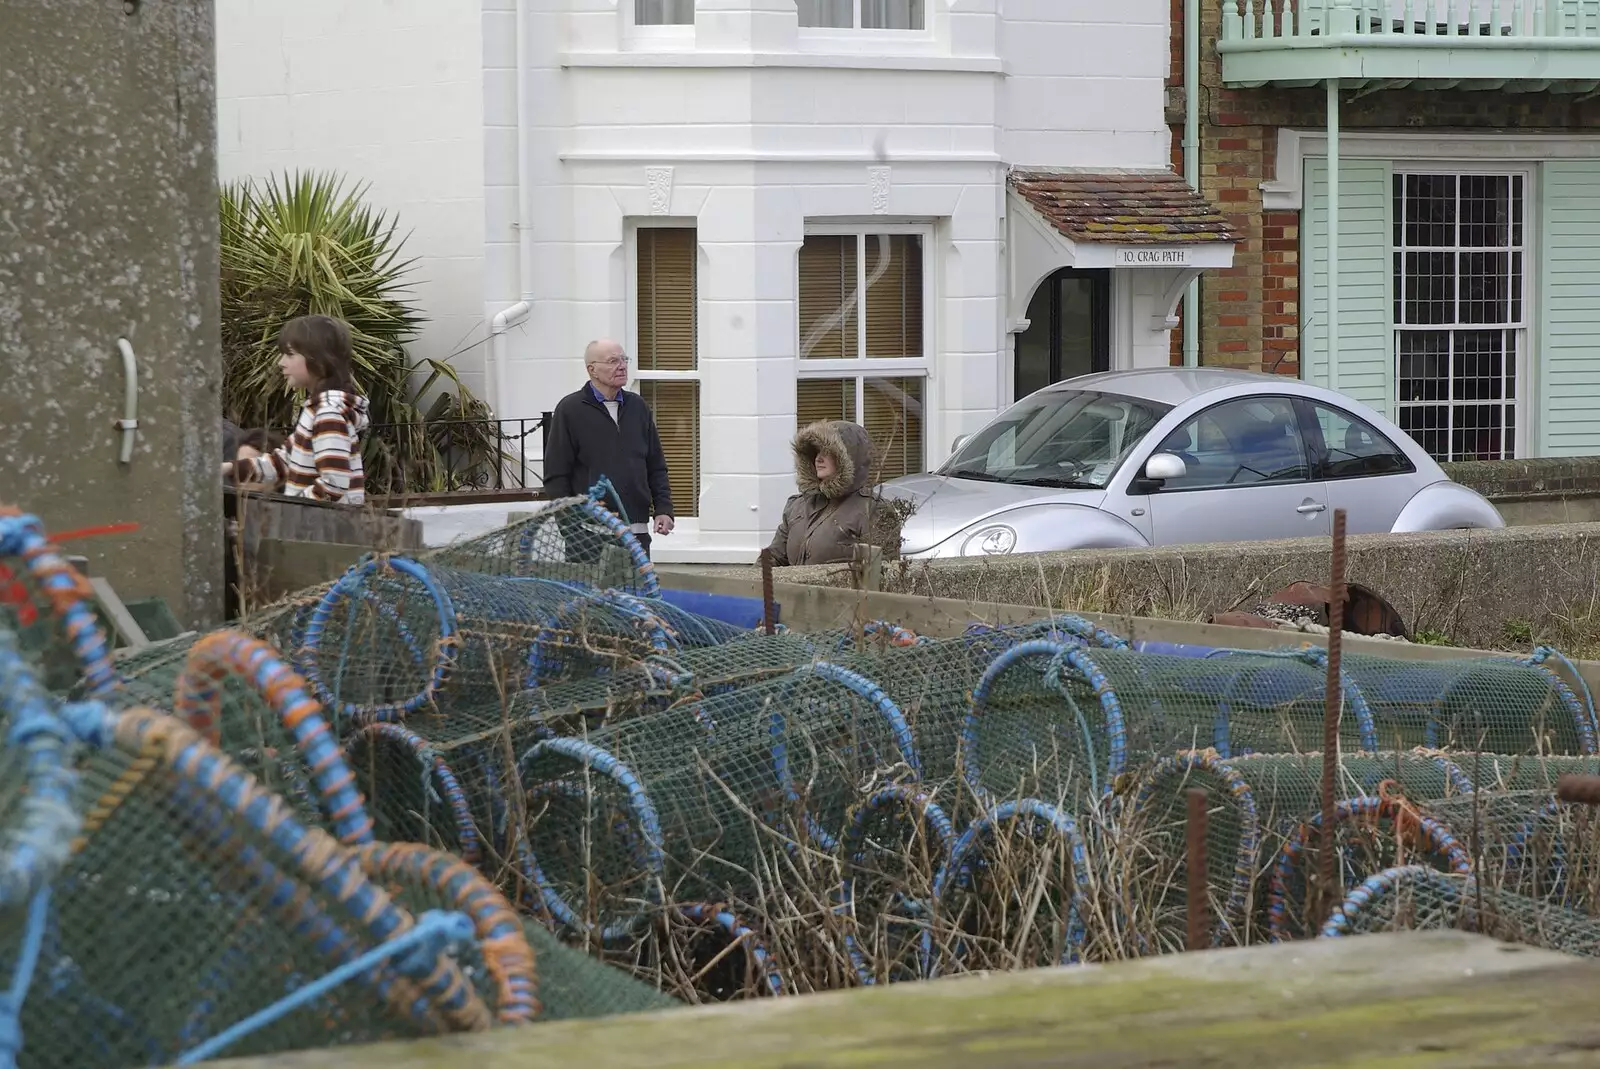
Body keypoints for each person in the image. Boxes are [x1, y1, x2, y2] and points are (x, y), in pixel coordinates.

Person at [544, 339, 674, 557]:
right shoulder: (570, 410)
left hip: (637, 534)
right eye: (613, 361)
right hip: (589, 536)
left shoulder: (638, 407)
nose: (622, 366)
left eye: (624, 359)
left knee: (637, 592)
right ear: (592, 370)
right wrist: (570, 530)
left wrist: (663, 509)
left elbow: (655, 465)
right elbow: (556, 477)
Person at [222, 315, 370, 505]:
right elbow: (282, 462)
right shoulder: (316, 410)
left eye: (290, 354)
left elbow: (334, 485)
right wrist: (227, 468)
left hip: (323, 528)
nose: (281, 362)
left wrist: (293, 510)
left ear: (319, 360)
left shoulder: (328, 414)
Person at [764, 419, 875, 567]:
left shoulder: (871, 509)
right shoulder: (797, 506)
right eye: (816, 452)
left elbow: (879, 574)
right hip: (791, 590)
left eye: (827, 452)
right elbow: (775, 557)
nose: (818, 458)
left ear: (848, 458)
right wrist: (748, 585)